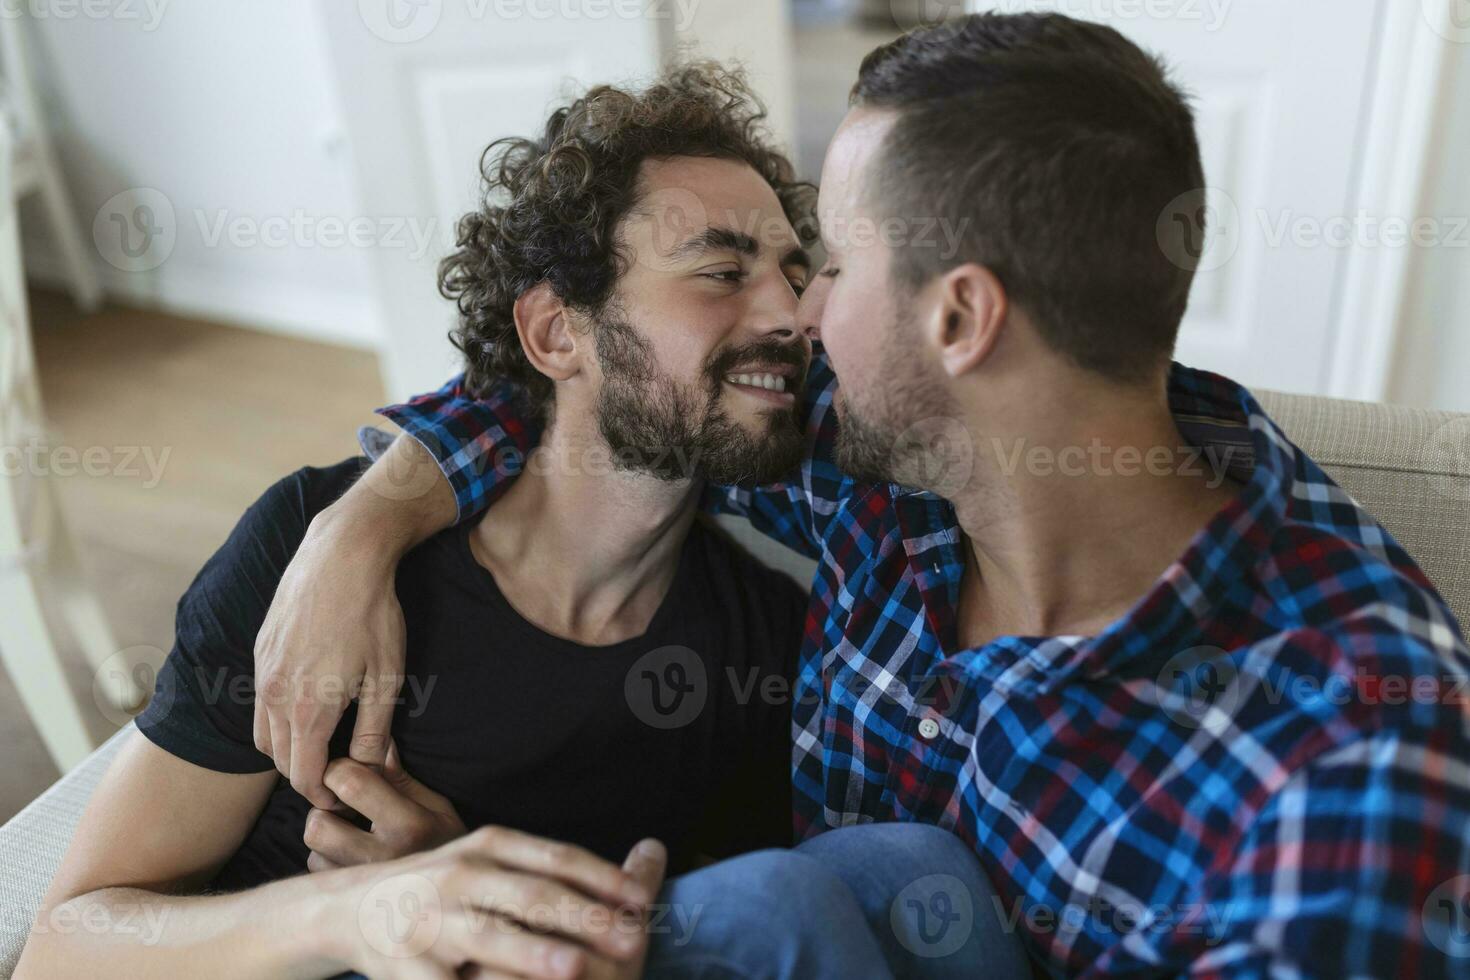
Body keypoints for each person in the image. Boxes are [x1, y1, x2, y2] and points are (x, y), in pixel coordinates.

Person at [250, 12, 1470, 978]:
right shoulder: (896, 464)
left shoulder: (1343, 767)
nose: (798, 312)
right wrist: (366, 516)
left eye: (826, 259)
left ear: (959, 317)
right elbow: (622, 384)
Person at [17, 64, 891, 980]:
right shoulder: (320, 551)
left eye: (796, 275)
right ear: (556, 334)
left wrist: (459, 878)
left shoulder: (763, 644)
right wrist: (362, 913)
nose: (791, 315)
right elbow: (59, 949)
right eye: (720, 271)